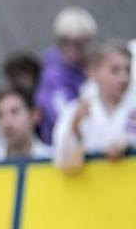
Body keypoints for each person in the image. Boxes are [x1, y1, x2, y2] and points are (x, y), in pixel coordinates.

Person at [52, 41, 133, 172]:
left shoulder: (133, 110)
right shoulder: (75, 111)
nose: (124, 78)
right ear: (93, 73)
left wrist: (128, 145)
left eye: (127, 70)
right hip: (88, 184)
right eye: (115, 70)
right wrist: (75, 127)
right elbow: (64, 164)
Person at [36, 7, 97, 143]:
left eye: (82, 43)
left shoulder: (88, 66)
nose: (75, 49)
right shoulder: (53, 75)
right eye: (67, 42)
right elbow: (63, 117)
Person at [0, 88, 51, 161]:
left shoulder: (52, 159)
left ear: (33, 115)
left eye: (14, 112)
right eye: (0, 115)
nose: (6, 123)